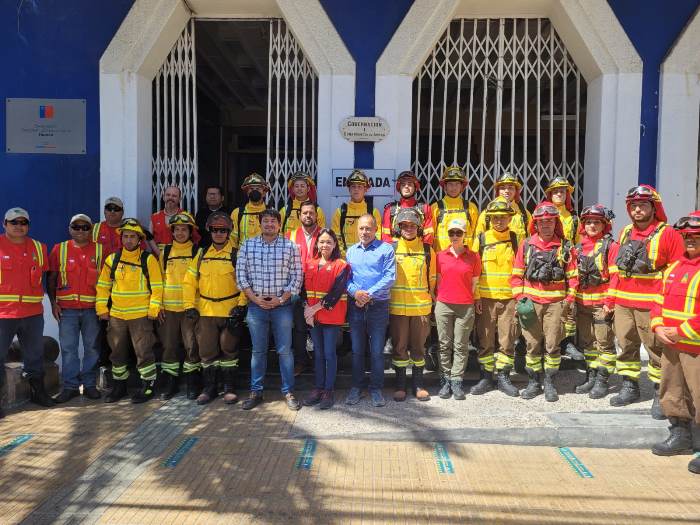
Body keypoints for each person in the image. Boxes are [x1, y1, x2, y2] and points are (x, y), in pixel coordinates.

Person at [607, 185, 685, 417]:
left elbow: (676, 272)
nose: (637, 209)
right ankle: (629, 386)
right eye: (633, 205)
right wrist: (611, 298)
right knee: (625, 345)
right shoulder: (625, 232)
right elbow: (618, 269)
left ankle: (659, 394)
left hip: (651, 302)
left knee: (656, 350)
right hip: (623, 301)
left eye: (642, 205)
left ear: (654, 207)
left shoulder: (668, 233)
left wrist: (668, 306)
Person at [510, 201, 578, 402]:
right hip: (530, 304)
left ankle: (549, 382)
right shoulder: (526, 245)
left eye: (549, 221)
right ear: (536, 225)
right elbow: (516, 276)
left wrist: (569, 299)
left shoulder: (565, 247)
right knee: (532, 345)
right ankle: (533, 382)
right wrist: (520, 298)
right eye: (542, 222)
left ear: (555, 223)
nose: (546, 225)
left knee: (552, 345)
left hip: (555, 305)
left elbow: (573, 276)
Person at [236, 208, 303, 411]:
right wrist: (255, 298)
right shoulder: (248, 246)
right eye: (265, 221)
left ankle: (288, 391)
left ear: (279, 224)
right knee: (258, 351)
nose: (269, 224)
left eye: (273, 221)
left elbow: (297, 277)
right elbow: (241, 276)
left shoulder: (290, 247)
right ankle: (256, 391)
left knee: (284, 351)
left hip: (281, 307)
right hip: (256, 307)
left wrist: (280, 299)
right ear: (260, 224)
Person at [650, 211, 700, 474]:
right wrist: (657, 326)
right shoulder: (674, 267)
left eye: (696, 237)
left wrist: (680, 330)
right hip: (672, 344)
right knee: (673, 391)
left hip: (694, 346)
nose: (690, 241)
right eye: (687, 236)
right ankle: (680, 436)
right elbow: (658, 301)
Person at [95, 219, 163, 404]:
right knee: (117, 352)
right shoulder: (113, 259)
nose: (129, 240)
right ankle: (119, 387)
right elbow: (103, 287)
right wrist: (102, 309)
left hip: (141, 316)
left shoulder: (147, 259)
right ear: (121, 238)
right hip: (117, 316)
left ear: (140, 239)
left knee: (144, 352)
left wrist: (153, 309)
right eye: (126, 236)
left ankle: (148, 387)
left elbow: (157, 287)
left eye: (133, 236)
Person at [182, 212, 245, 405]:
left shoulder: (236, 254)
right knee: (207, 352)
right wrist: (188, 305)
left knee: (229, 351)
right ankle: (209, 388)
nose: (219, 234)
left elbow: (245, 282)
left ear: (229, 232)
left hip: (229, 310)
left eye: (223, 230)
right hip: (206, 311)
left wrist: (241, 306)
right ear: (209, 231)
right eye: (215, 230)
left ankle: (228, 388)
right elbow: (189, 281)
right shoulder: (201, 254)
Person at [0, 207, 52, 415]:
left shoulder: (39, 248)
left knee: (35, 356)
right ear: (5, 224)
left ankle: (38, 393)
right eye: (14, 222)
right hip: (3, 314)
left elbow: (47, 278)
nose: (19, 226)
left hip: (32, 313)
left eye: (23, 223)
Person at [47, 214, 103, 403]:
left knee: (92, 348)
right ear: (70, 228)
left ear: (91, 229)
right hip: (67, 310)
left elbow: (106, 280)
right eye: (76, 227)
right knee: (69, 349)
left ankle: (89, 385)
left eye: (85, 227)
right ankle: (70, 386)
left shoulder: (100, 251)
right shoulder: (59, 249)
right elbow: (52, 278)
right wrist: (53, 303)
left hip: (92, 309)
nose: (80, 231)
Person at [345, 214, 396, 407]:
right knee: (357, 350)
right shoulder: (350, 252)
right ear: (357, 230)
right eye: (361, 228)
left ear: (375, 230)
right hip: (356, 307)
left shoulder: (385, 249)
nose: (364, 232)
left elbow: (390, 277)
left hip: (378, 307)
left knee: (376, 351)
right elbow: (346, 279)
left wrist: (368, 294)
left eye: (368, 228)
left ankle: (376, 388)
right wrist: (355, 292)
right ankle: (357, 387)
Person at [472, 198, 520, 398]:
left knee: (507, 340)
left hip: (509, 299)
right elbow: (474, 272)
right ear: (489, 219)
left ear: (510, 218)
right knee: (485, 340)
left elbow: (520, 271)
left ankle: (503, 377)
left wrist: (518, 298)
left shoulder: (516, 239)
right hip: (487, 298)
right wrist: (476, 298)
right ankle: (485, 377)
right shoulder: (482, 239)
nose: (499, 221)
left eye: (503, 217)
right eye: (495, 218)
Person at [389, 208, 437, 402]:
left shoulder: (427, 250)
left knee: (418, 347)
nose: (408, 228)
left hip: (420, 308)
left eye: (412, 225)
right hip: (398, 307)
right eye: (404, 225)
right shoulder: (391, 249)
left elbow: (432, 280)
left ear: (419, 228)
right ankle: (400, 384)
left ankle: (418, 384)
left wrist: (431, 303)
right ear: (398, 228)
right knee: (399, 347)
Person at [572, 205, 619, 399]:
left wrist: (610, 302)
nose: (592, 225)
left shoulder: (611, 246)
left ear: (604, 225)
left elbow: (616, 277)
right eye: (588, 222)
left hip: (602, 304)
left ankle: (602, 380)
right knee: (587, 342)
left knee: (604, 344)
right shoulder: (578, 248)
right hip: (582, 303)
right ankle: (591, 374)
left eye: (596, 222)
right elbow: (573, 277)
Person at [301, 229, 350, 409]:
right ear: (317, 244)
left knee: (329, 354)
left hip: (331, 317)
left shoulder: (341, 265)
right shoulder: (310, 263)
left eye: (329, 242)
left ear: (335, 244)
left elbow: (336, 293)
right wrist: (307, 309)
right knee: (318, 354)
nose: (325, 245)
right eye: (322, 242)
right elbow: (303, 290)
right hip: (313, 318)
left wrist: (311, 310)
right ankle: (318, 388)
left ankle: (329, 390)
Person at [434, 218, 480, 400]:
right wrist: (438, 299)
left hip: (465, 306)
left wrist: (472, 299)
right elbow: (437, 280)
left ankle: (457, 381)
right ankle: (445, 380)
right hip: (444, 304)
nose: (454, 236)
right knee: (444, 345)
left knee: (461, 345)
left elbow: (475, 282)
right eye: (451, 233)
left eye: (458, 233)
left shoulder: (474, 256)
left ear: (464, 234)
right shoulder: (440, 256)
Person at [157, 212, 200, 400]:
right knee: (169, 347)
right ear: (172, 232)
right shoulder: (165, 252)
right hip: (168, 310)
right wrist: (157, 306)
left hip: (190, 309)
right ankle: (170, 384)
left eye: (184, 229)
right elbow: (157, 282)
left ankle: (193, 383)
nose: (180, 233)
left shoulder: (197, 252)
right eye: (177, 229)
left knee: (192, 346)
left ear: (190, 232)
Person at [544, 177, 583, 361]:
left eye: (562, 191)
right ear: (549, 194)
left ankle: (566, 341)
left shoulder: (574, 218)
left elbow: (579, 243)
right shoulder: (543, 212)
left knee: (568, 304)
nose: (559, 194)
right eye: (555, 191)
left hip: (567, 264)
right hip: (545, 264)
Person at [286, 201, 321, 375]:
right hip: (297, 288)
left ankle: (318, 361)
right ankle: (300, 361)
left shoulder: (324, 234)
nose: (308, 216)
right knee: (299, 328)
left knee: (318, 326)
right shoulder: (290, 235)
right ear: (300, 215)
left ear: (316, 215)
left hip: (319, 288)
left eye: (311, 213)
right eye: (305, 213)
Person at [331, 169, 382, 256]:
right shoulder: (340, 212)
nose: (356, 189)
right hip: (346, 259)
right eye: (353, 186)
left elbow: (377, 236)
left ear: (365, 189)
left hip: (368, 258)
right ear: (349, 189)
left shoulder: (373, 212)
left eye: (360, 187)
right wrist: (345, 255)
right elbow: (336, 238)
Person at [430, 166, 478, 252]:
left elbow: (476, 235)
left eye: (457, 184)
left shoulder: (471, 207)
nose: (454, 188)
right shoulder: (435, 208)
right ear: (445, 186)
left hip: (465, 258)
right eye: (450, 184)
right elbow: (430, 236)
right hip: (442, 258)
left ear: (462, 187)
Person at [474, 172, 531, 242]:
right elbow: (478, 241)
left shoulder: (525, 214)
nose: (506, 191)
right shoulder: (487, 214)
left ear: (516, 191)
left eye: (510, 188)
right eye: (502, 188)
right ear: (497, 191)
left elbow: (531, 240)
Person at [381, 170, 434, 244]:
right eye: (403, 185)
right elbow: (385, 237)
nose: (406, 186)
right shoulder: (390, 209)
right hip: (396, 253)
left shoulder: (425, 208)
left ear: (415, 188)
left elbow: (429, 236)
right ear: (399, 188)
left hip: (418, 252)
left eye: (409, 184)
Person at [150, 186, 200, 255]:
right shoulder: (154, 217)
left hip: (180, 259)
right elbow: (149, 239)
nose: (170, 198)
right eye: (168, 195)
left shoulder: (187, 216)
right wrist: (160, 255)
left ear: (179, 199)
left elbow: (195, 239)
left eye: (174, 196)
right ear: (164, 197)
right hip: (158, 258)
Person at [279, 171, 326, 236]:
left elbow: (322, 234)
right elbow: (279, 233)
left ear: (308, 188)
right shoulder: (284, 210)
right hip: (289, 245)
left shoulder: (317, 210)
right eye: (296, 186)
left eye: (302, 186)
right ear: (292, 189)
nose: (299, 189)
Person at [230, 173, 269, 248]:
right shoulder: (237, 213)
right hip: (243, 257)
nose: (254, 191)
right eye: (251, 189)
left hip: (265, 256)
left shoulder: (272, 212)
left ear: (264, 193)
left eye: (258, 189)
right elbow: (232, 238)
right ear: (247, 192)